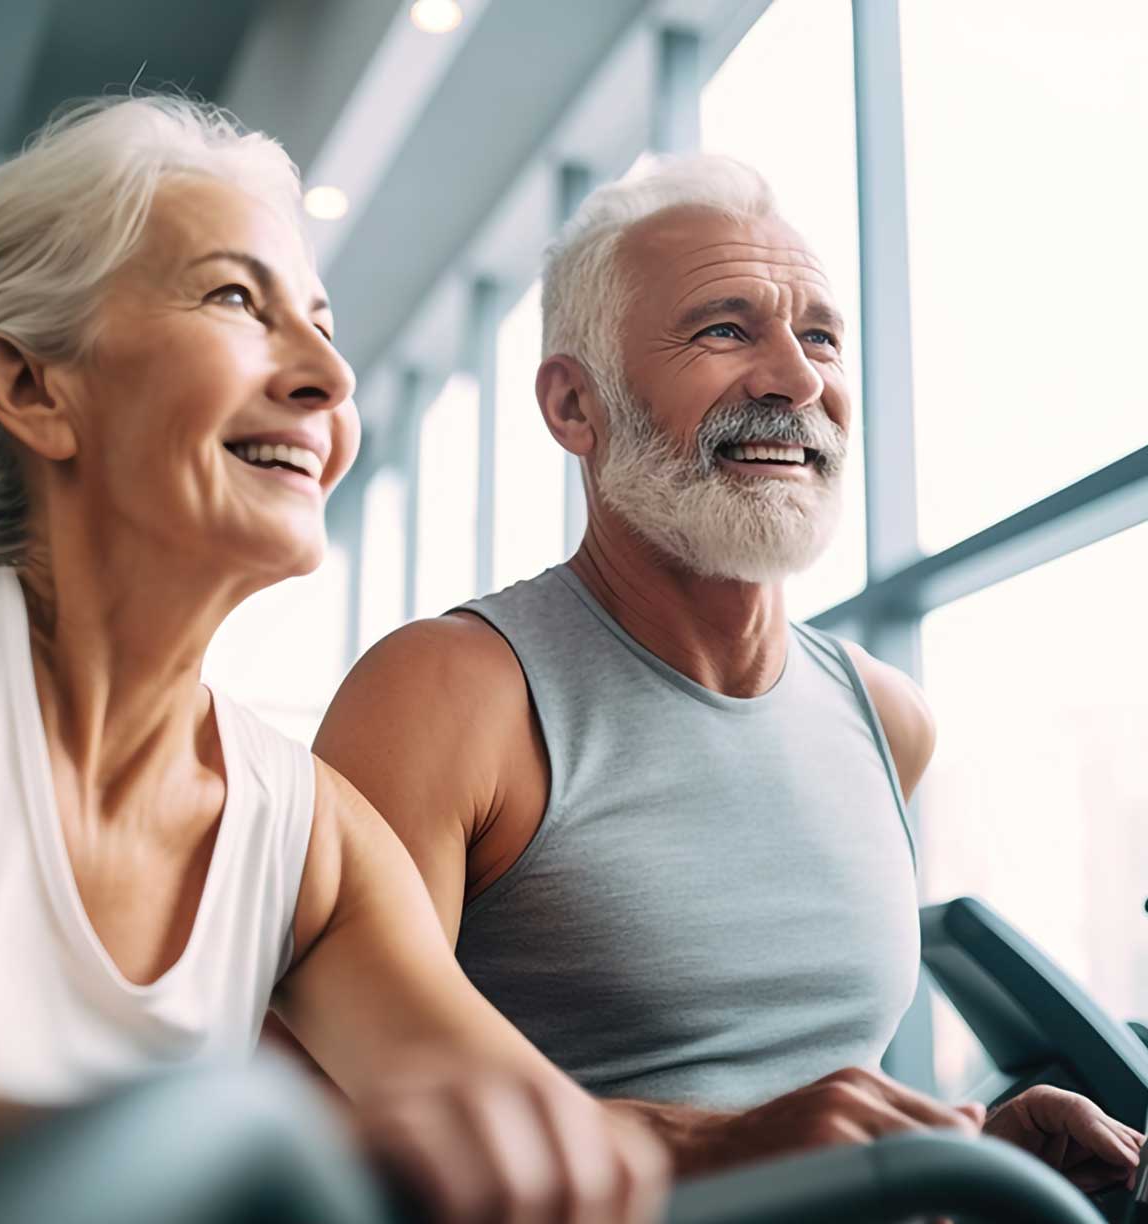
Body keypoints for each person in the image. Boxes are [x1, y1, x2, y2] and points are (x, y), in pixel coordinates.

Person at [0, 97, 668, 1223]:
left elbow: (531, 1146)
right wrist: (296, 1152)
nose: (328, 374)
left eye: (322, 321)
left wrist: (650, 1147)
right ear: (32, 388)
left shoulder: (308, 833)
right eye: (234, 298)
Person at [309, 154, 1143, 1190]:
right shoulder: (448, 696)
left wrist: (956, 1146)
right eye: (724, 328)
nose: (797, 380)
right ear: (574, 407)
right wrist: (707, 1148)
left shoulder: (888, 718)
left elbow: (812, 1105)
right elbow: (313, 1130)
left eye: (821, 336)